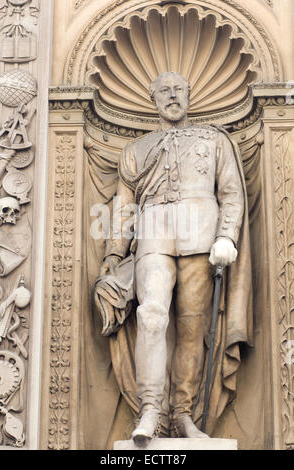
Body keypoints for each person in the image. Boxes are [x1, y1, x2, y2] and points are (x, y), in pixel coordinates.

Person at [99, 72, 250, 446]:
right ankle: (150, 409)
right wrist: (115, 251)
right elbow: (124, 208)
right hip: (153, 233)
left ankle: (183, 415)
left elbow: (231, 192)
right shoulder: (135, 150)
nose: (172, 95)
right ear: (152, 98)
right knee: (151, 313)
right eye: (164, 90)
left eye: (178, 89)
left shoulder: (214, 140)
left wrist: (226, 236)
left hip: (201, 236)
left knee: (191, 330)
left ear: (189, 94)